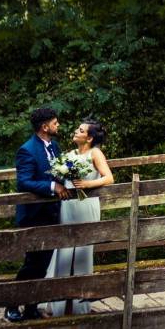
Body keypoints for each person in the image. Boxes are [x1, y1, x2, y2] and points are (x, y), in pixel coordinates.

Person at [6, 108, 70, 323]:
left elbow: (59, 171)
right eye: (55, 122)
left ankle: (31, 308)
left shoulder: (54, 146)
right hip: (34, 215)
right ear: (44, 127)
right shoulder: (27, 150)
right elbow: (24, 182)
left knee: (42, 265)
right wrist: (52, 186)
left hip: (51, 213)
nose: (58, 125)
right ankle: (11, 306)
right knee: (31, 264)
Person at [46, 118, 114, 316]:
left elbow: (109, 177)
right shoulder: (69, 154)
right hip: (68, 205)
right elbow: (58, 175)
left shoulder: (95, 153)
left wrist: (87, 184)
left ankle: (81, 306)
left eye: (81, 130)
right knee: (63, 251)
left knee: (84, 251)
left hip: (86, 204)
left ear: (89, 138)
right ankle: (58, 305)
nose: (76, 131)